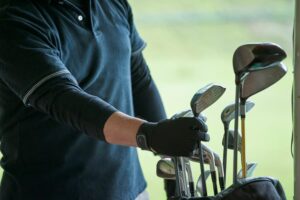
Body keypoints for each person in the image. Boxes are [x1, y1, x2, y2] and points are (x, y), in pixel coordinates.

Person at [0, 0, 208, 199]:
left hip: (130, 190)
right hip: (50, 192)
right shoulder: (13, 18)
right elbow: (62, 98)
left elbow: (138, 77)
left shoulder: (112, 3)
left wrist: (168, 152)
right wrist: (150, 135)